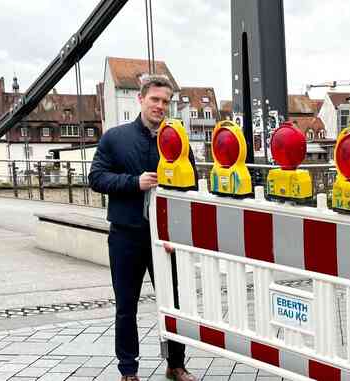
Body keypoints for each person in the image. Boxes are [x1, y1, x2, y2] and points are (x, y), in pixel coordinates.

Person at [89, 75, 197, 381]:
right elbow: (96, 178)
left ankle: (176, 365)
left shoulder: (179, 139)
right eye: (155, 100)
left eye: (165, 101)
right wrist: (134, 183)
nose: (160, 106)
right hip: (126, 234)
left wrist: (183, 235)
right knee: (126, 305)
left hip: (166, 238)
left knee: (174, 303)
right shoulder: (115, 137)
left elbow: (191, 189)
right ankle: (128, 371)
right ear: (141, 99)